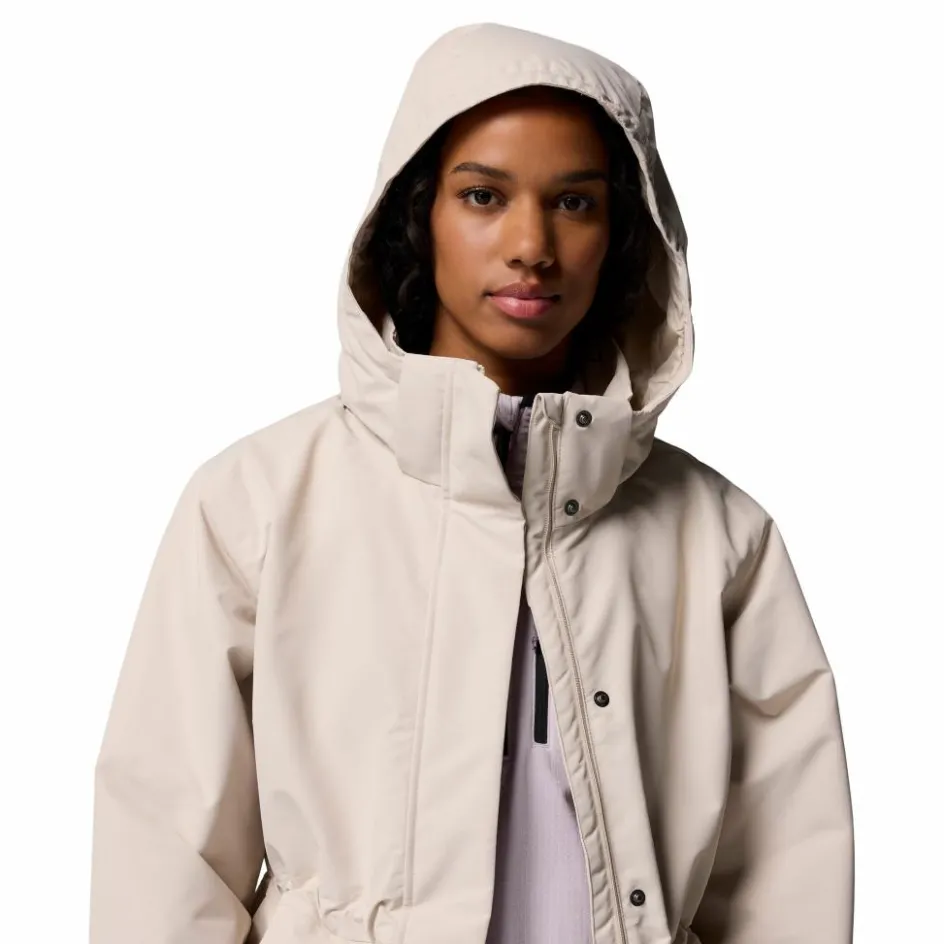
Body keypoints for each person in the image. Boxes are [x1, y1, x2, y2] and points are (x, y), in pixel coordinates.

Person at [89, 21, 855, 944]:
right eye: (484, 195)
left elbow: (789, 875)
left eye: (574, 203)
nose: (532, 243)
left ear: (622, 234)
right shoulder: (257, 503)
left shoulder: (720, 537)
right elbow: (164, 857)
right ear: (417, 216)